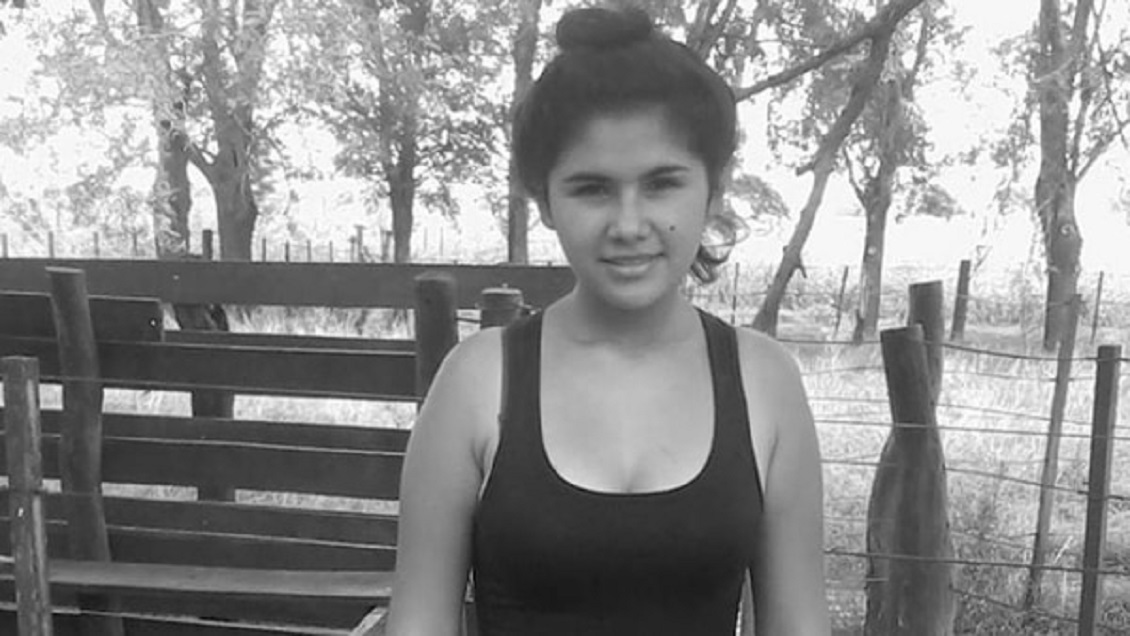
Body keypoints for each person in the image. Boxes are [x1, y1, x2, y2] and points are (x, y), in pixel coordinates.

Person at [382, 5, 830, 635]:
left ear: (714, 188)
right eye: (592, 189)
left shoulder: (765, 383)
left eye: (662, 184)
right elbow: (419, 624)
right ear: (543, 199)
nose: (628, 224)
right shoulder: (476, 383)